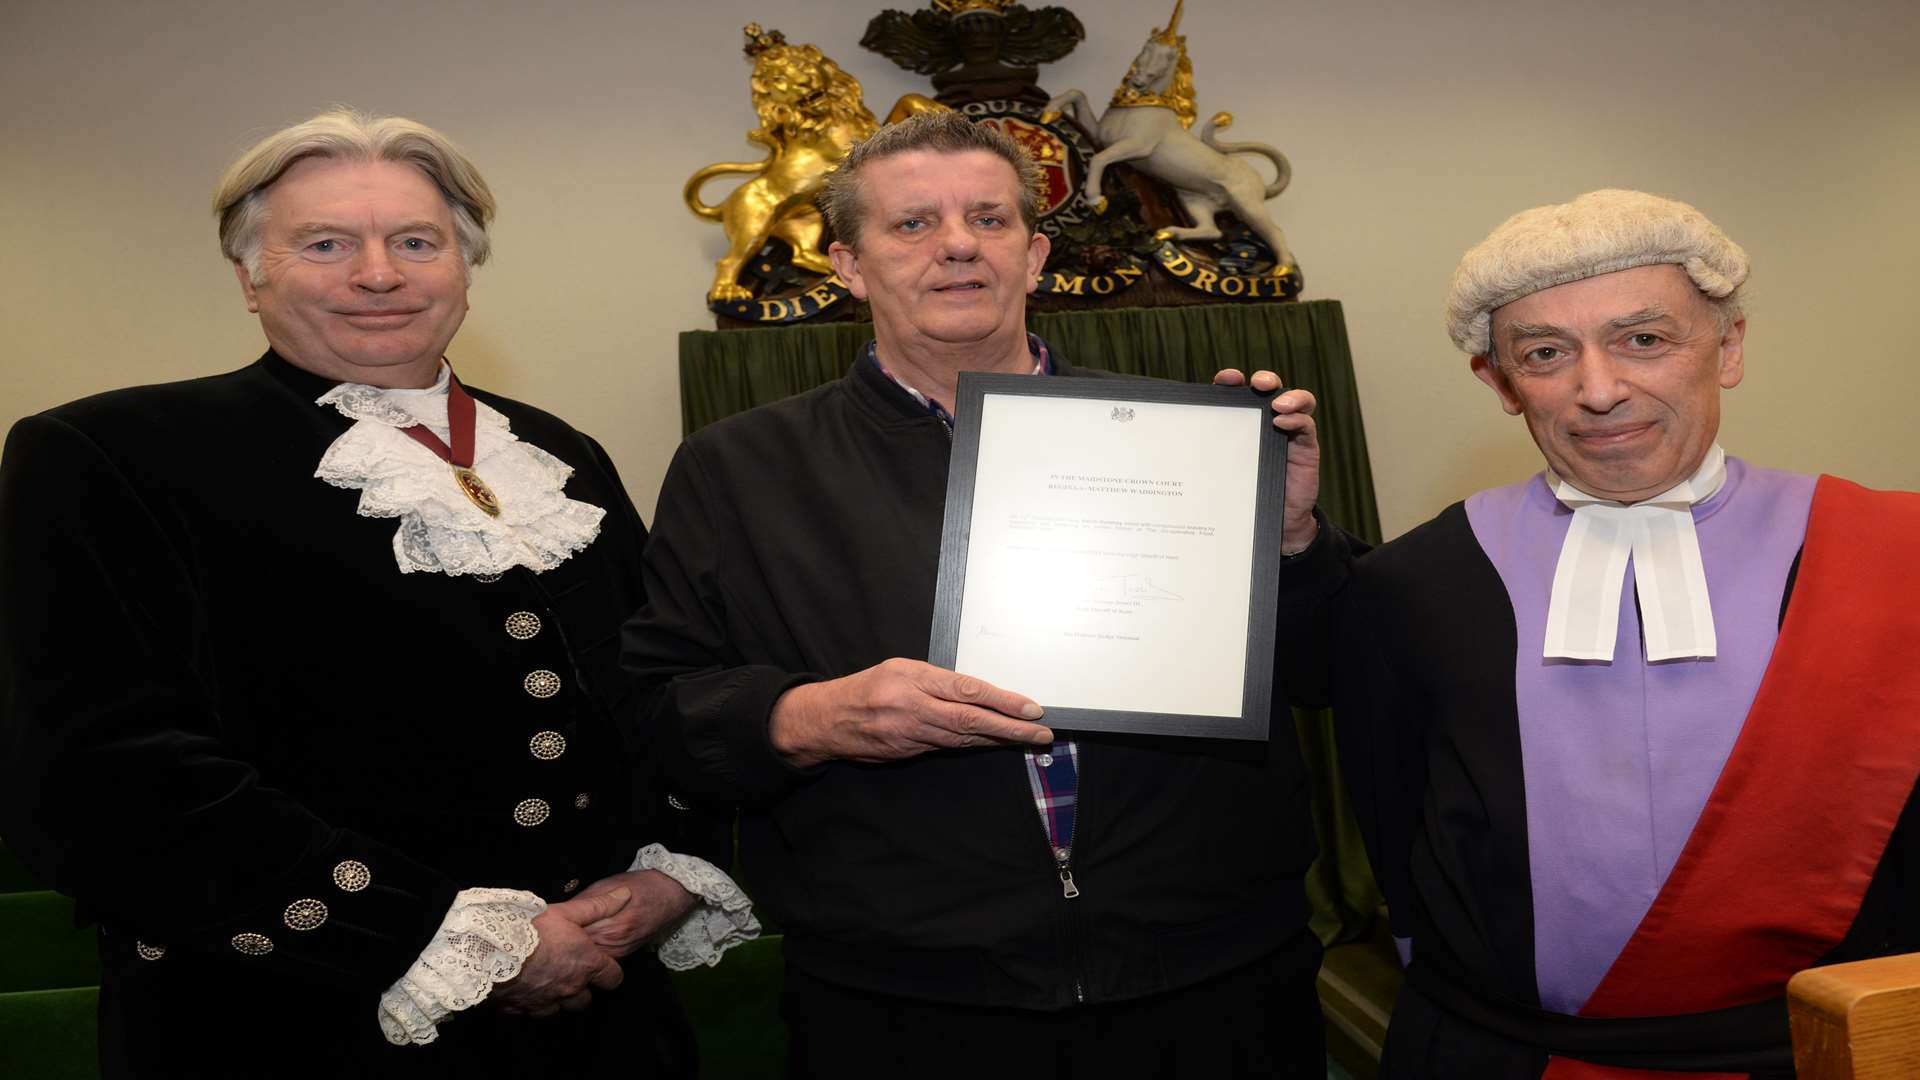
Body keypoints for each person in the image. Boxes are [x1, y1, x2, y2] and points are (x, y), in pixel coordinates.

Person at [0, 109, 757, 1078]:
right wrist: (431, 934)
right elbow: (101, 772)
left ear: (464, 267)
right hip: (293, 1024)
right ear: (249, 274)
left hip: (600, 1024)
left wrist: (668, 871)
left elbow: (653, 690)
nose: (379, 274)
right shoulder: (111, 455)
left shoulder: (561, 455)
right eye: (325, 243)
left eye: (416, 242)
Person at [623, 110, 1343, 1077]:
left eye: (990, 220)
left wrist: (1295, 539)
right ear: (848, 263)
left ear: (1036, 255)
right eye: (913, 224)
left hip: (1212, 982)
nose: (958, 244)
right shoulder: (739, 469)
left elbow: (1338, 667)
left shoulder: (1180, 442)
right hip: (906, 1003)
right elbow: (659, 712)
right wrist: (809, 716)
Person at [1329, 189, 1920, 1078]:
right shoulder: (1412, 584)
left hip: (1814, 1053)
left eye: (1645, 339)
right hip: (1504, 1056)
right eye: (1545, 353)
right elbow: (1392, 822)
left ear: (1729, 349)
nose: (1599, 390)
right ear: (1499, 382)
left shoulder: (1895, 555)